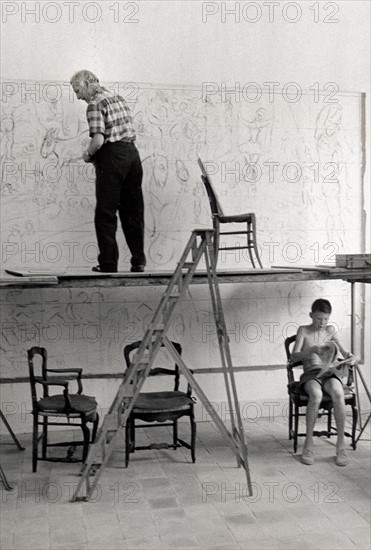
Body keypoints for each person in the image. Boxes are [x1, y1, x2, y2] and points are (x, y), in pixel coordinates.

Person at [70, 70, 146, 273]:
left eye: (78, 90)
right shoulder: (117, 98)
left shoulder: (95, 104)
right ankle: (138, 260)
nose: (78, 96)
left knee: (106, 213)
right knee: (133, 211)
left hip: (112, 157)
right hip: (132, 155)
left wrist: (87, 155)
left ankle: (108, 263)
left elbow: (98, 140)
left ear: (86, 84)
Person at [291, 298, 356, 467]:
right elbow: (293, 356)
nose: (322, 322)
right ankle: (309, 444)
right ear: (311, 315)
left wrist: (350, 357)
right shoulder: (303, 331)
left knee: (338, 392)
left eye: (326, 318)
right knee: (316, 395)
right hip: (311, 374)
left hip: (329, 371)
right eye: (319, 318)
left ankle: (340, 445)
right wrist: (312, 350)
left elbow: (344, 350)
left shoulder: (330, 330)